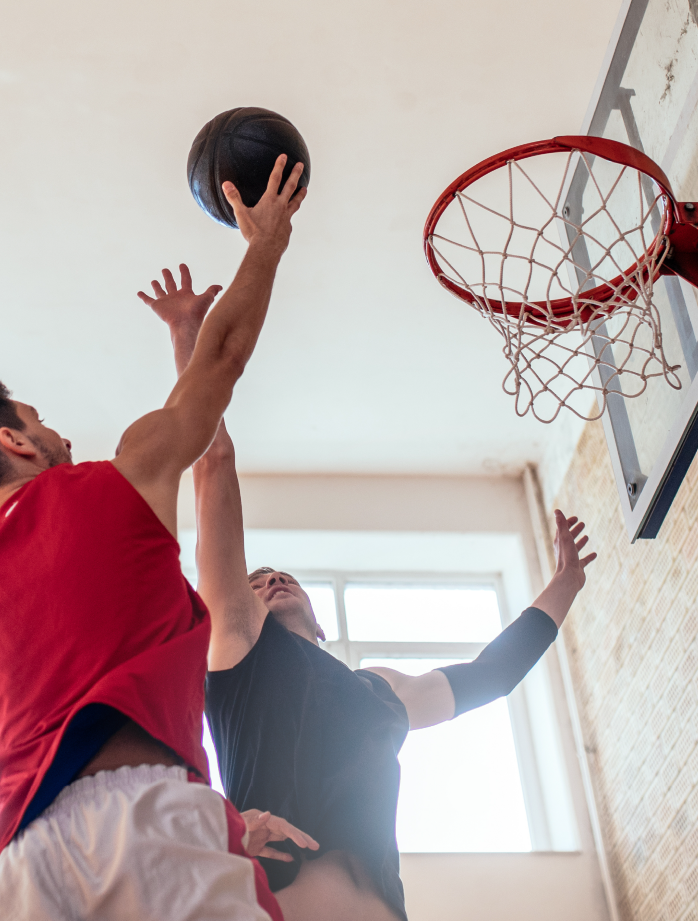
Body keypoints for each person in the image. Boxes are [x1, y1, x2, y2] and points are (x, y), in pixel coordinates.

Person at [0, 156, 317, 921]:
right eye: (39, 420)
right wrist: (265, 247)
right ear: (17, 441)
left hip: (24, 862)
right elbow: (221, 368)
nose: (56, 430)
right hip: (151, 822)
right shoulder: (118, 481)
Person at [140, 269, 597, 921]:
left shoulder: (381, 693)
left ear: (324, 624)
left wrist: (565, 585)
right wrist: (188, 338)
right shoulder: (239, 653)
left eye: (283, 576)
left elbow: (490, 677)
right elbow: (213, 464)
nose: (271, 580)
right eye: (255, 581)